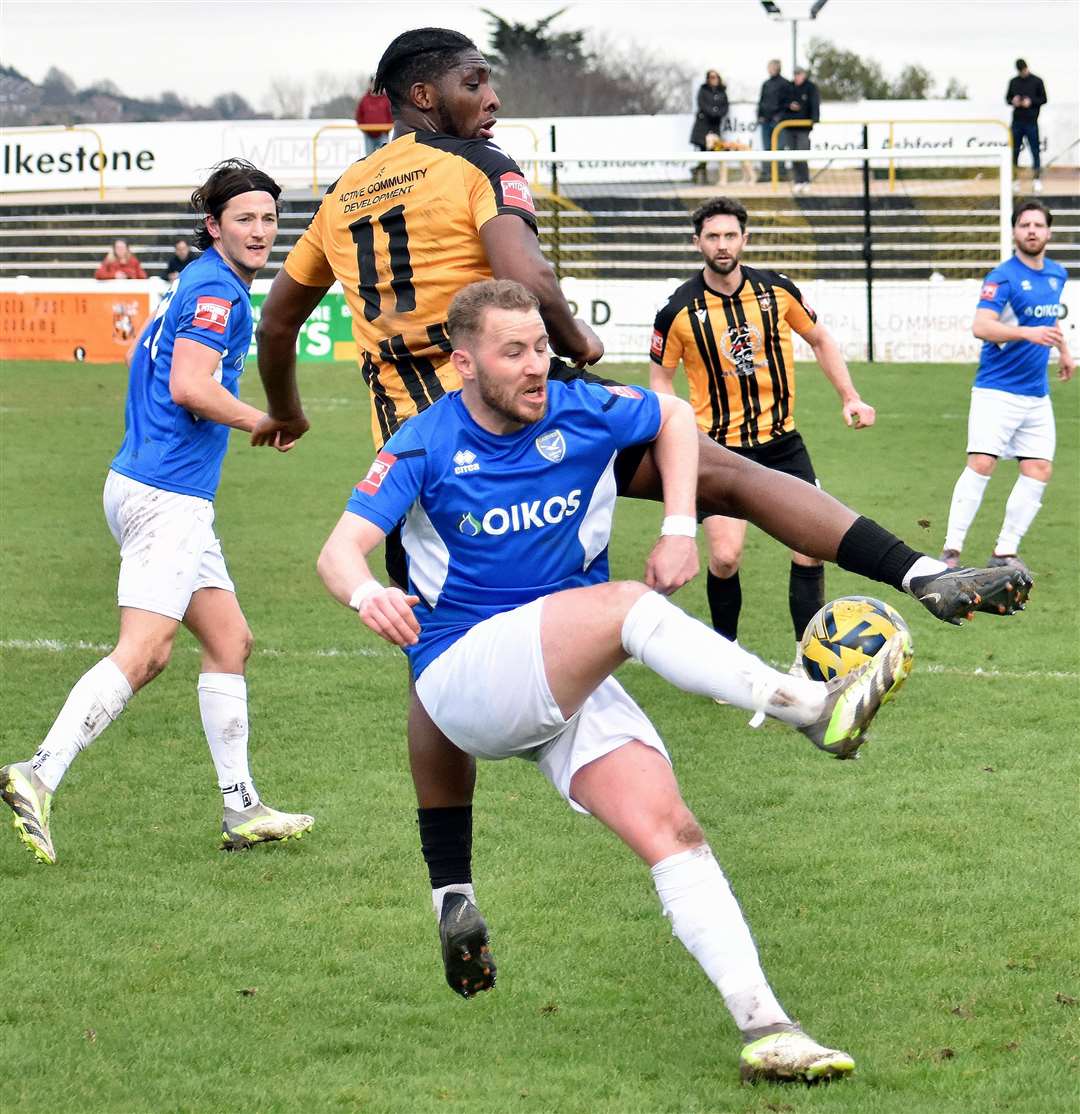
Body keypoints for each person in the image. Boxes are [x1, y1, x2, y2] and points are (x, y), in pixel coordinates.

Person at [253, 25, 1032, 1003]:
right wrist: (570, 346)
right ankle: (917, 577)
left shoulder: (341, 196)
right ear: (420, 93)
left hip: (413, 453)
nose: (489, 96)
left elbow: (278, 321)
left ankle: (451, 882)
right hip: (509, 422)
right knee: (720, 473)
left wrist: (284, 409)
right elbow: (526, 278)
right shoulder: (473, 167)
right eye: (469, 80)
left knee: (438, 655)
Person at [317, 279, 914, 1083]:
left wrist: (676, 526)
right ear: (463, 364)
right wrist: (367, 592)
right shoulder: (422, 444)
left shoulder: (573, 406)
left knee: (673, 831)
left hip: (564, 673)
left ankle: (768, 1028)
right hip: (466, 680)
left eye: (540, 348)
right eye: (513, 353)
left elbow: (672, 415)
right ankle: (808, 706)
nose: (536, 368)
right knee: (623, 604)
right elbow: (337, 550)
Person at [0, 159, 314, 866]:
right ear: (214, 227)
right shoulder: (216, 293)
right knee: (144, 653)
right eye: (245, 219)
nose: (261, 231)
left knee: (229, 640)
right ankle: (37, 772)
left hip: (157, 489)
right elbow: (188, 385)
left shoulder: (199, 283)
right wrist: (260, 419)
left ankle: (242, 808)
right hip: (165, 495)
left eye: (268, 218)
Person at [650, 197, 876, 663]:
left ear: (745, 240)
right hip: (718, 449)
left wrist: (850, 396)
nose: (722, 244)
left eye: (730, 235)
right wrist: (666, 434)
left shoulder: (777, 291)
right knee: (727, 556)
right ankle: (726, 656)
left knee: (810, 548)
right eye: (712, 236)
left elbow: (819, 338)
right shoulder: (677, 310)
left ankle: (807, 658)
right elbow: (660, 377)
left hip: (781, 443)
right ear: (697, 243)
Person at [940, 201, 1072, 575]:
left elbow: (1046, 320)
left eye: (1039, 225)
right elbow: (982, 326)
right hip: (996, 391)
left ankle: (1004, 552)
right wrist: (1026, 334)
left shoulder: (1056, 275)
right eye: (1025, 224)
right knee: (982, 463)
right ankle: (950, 550)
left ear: (1049, 232)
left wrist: (1064, 351)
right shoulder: (1002, 277)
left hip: (1036, 394)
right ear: (1014, 231)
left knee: (1039, 468)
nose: (1032, 230)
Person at [1006, 59, 1047, 192]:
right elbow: (1007, 98)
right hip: (1017, 122)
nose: (1022, 72)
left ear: (1026, 68)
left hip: (1031, 122)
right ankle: (1014, 180)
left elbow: (1044, 99)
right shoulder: (1013, 81)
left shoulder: (1037, 81)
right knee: (1014, 151)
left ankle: (1036, 179)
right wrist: (1014, 101)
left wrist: (1031, 102)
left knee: (1035, 151)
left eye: (1023, 70)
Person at [782, 67, 819, 192]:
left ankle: (805, 181)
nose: (797, 77)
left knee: (802, 154)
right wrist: (789, 105)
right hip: (789, 126)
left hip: (803, 127)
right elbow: (782, 103)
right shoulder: (788, 87)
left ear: (804, 75)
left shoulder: (811, 87)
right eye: (795, 74)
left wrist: (814, 119)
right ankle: (797, 181)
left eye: (799, 74)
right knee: (793, 155)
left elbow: (815, 104)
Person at [689, 70, 728, 185]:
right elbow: (702, 105)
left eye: (715, 77)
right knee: (703, 150)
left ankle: (699, 172)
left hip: (715, 125)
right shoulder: (703, 90)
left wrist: (717, 113)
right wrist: (712, 112)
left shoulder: (722, 92)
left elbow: (725, 107)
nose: (713, 79)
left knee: (715, 149)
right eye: (711, 77)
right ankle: (701, 174)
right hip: (703, 125)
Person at [756, 59, 791, 182]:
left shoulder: (786, 84)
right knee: (767, 149)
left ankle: (781, 174)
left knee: (779, 149)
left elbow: (787, 104)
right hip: (765, 122)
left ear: (777, 68)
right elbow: (761, 102)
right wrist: (759, 116)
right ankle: (766, 174)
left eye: (771, 67)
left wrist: (779, 117)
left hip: (778, 123)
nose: (769, 69)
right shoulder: (766, 84)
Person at [355, 77, 394, 155]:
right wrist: (365, 129)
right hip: (369, 135)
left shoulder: (386, 99)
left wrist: (387, 129)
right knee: (369, 158)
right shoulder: (364, 99)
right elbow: (359, 115)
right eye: (373, 84)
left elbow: (392, 114)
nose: (375, 86)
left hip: (383, 134)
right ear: (370, 85)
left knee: (384, 157)